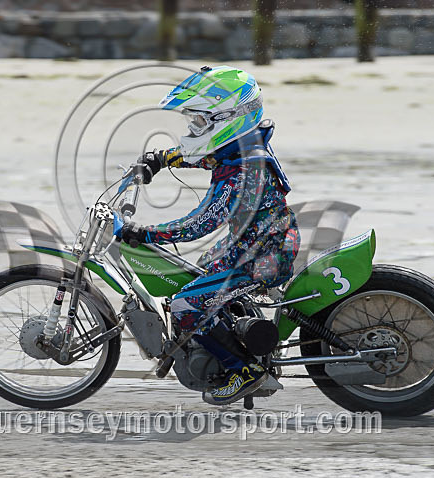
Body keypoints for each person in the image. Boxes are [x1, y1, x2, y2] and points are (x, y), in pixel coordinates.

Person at [116, 65, 300, 405]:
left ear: (227, 119)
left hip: (261, 256)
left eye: (198, 122)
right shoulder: (242, 146)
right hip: (257, 242)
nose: (191, 129)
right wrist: (162, 159)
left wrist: (145, 233)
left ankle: (243, 370)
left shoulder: (243, 170)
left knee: (187, 304)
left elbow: (199, 224)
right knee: (198, 272)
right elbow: (207, 157)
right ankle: (236, 335)